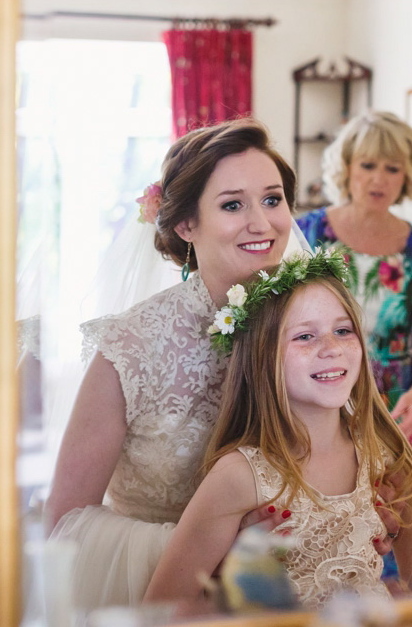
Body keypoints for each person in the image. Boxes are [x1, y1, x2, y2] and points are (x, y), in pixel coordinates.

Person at [43, 118, 311, 611]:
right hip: (166, 598)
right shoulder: (130, 347)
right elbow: (64, 522)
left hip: (295, 592)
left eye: (273, 199)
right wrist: (207, 545)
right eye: (233, 204)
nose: (262, 222)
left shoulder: (315, 325)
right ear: (186, 224)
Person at [144, 250, 412, 608]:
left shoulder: (384, 452)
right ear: (264, 357)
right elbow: (162, 607)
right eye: (304, 337)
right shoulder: (238, 476)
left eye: (343, 330)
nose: (331, 348)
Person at [297, 111, 412, 454]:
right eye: (368, 165)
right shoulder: (305, 234)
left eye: (392, 168)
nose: (379, 179)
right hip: (312, 407)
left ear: (406, 176)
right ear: (347, 167)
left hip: (394, 416)